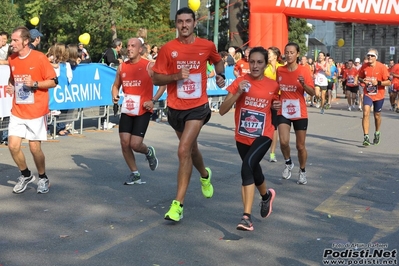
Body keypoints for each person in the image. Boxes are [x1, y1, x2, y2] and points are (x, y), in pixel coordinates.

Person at [151, 7, 225, 222]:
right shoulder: (167, 49)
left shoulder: (206, 46)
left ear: (194, 23)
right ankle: (205, 174)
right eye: (180, 21)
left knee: (183, 149)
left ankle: (177, 205)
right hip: (175, 108)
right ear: (176, 24)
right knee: (191, 150)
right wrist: (175, 76)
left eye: (188, 21)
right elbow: (156, 79)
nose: (184, 25)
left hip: (198, 107)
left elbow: (217, 61)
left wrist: (220, 75)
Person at [219, 47, 279, 231]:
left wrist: (276, 106)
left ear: (265, 64)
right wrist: (238, 93)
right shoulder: (240, 82)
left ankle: (246, 217)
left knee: (247, 167)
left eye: (259, 62)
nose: (255, 66)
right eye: (252, 61)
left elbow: (276, 109)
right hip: (242, 135)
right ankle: (266, 196)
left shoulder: (273, 85)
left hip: (263, 135)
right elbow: (222, 110)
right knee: (254, 168)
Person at [6, 26, 57, 194]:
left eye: (15, 40)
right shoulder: (12, 59)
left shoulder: (39, 58)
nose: (11, 43)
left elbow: (54, 81)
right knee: (13, 146)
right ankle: (26, 175)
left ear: (26, 41)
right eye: (11, 40)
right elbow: (12, 79)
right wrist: (11, 87)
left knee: (35, 148)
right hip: (18, 110)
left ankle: (42, 177)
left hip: (37, 111)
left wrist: (35, 84)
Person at [111, 37, 159, 185]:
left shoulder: (149, 66)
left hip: (143, 110)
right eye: (128, 45)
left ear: (140, 49)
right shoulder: (122, 67)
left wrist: (153, 100)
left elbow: (163, 85)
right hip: (127, 108)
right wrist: (114, 95)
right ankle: (135, 173)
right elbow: (115, 85)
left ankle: (148, 151)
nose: (129, 48)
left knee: (135, 144)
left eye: (133, 46)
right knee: (125, 143)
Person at [277, 42, 315, 185]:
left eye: (292, 52)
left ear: (297, 54)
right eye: (287, 52)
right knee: (284, 141)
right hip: (283, 110)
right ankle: (288, 163)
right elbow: (275, 89)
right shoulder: (280, 70)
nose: (289, 55)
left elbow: (312, 93)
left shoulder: (304, 70)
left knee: (300, 146)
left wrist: (304, 84)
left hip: (300, 111)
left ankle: (302, 171)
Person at [358, 49, 390, 146]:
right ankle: (366, 136)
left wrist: (379, 83)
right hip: (368, 93)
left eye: (372, 56)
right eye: (368, 55)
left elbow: (388, 82)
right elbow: (359, 77)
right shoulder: (364, 66)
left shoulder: (382, 67)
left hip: (379, 94)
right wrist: (363, 80)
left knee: (377, 116)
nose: (369, 57)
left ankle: (377, 132)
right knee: (366, 112)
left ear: (376, 57)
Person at [264, 46, 284, 163]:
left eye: (270, 53)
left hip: (277, 99)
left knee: (274, 127)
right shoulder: (264, 68)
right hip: (266, 98)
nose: (268, 55)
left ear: (275, 56)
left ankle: (272, 153)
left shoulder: (281, 68)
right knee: (264, 124)